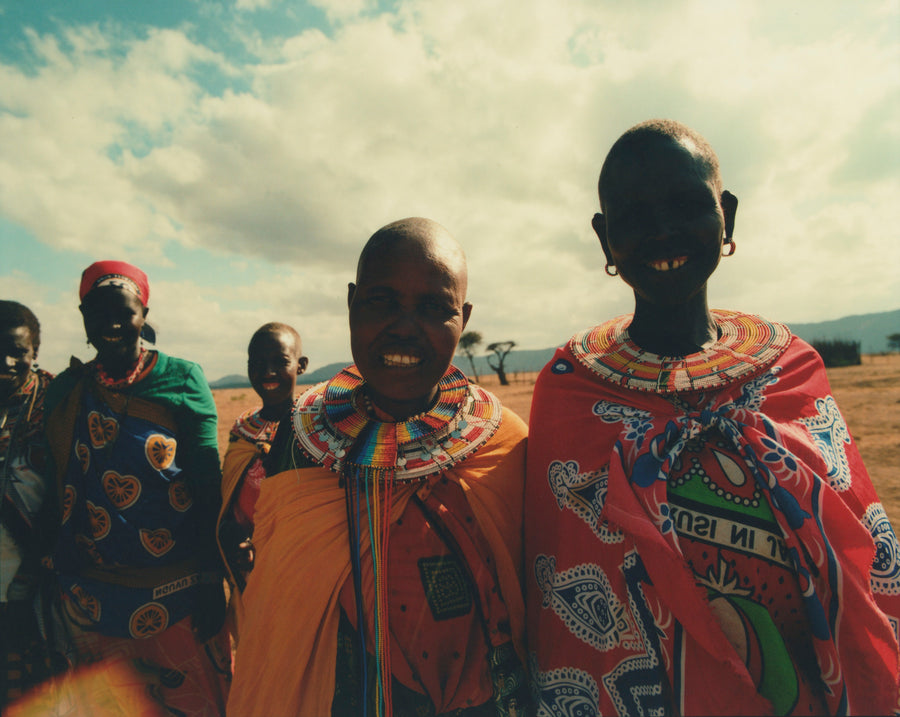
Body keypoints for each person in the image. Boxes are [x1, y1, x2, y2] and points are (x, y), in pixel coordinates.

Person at [524, 120, 900, 716]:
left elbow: (857, 545)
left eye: (686, 205)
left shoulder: (790, 368)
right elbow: (560, 568)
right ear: (603, 239)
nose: (662, 232)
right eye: (633, 216)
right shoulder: (571, 391)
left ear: (727, 214)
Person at [228, 218, 529, 716]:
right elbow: (280, 607)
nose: (405, 327)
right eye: (381, 301)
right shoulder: (299, 444)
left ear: (464, 315)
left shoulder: (504, 443)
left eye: (434, 307)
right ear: (351, 303)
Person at [41, 261, 229, 716]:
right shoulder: (67, 390)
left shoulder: (182, 379)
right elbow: (55, 481)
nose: (111, 325)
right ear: (82, 316)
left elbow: (207, 485)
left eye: (124, 312)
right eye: (97, 313)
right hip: (94, 593)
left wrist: (209, 581)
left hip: (178, 588)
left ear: (144, 313)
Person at [216, 322, 307, 642]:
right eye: (257, 364)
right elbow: (231, 495)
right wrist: (236, 535)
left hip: (302, 572)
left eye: (279, 362)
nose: (267, 371)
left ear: (301, 365)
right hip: (250, 572)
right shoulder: (243, 428)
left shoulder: (315, 427)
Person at [0, 301, 59, 707]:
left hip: (39, 576)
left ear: (35, 351)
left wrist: (34, 568)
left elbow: (69, 487)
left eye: (18, 351)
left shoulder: (57, 401)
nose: (6, 361)